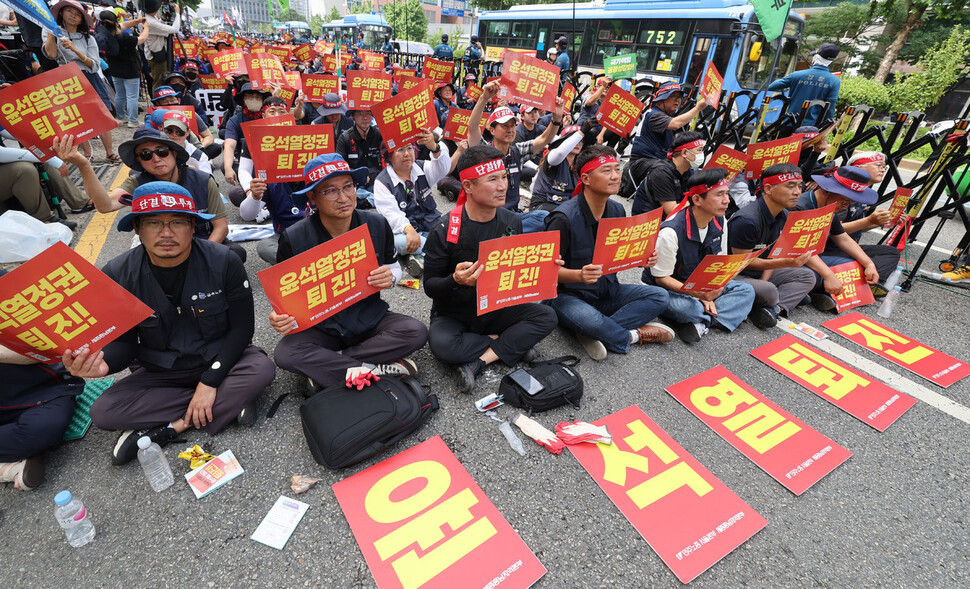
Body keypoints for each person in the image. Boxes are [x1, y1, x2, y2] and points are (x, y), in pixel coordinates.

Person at [62, 182, 275, 466]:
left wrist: (210, 380)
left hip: (222, 358)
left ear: (193, 226)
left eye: (177, 222)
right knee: (104, 411)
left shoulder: (224, 261)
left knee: (262, 369)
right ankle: (230, 402)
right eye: (153, 223)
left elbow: (242, 329)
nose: (166, 232)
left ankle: (171, 427)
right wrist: (103, 365)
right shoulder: (117, 274)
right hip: (161, 369)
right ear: (137, 227)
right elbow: (125, 345)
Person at [271, 155, 428, 390]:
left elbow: (394, 267)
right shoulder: (294, 238)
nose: (344, 198)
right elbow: (287, 301)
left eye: (348, 187)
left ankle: (334, 367)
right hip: (323, 327)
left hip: (369, 319)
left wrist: (391, 276)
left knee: (415, 331)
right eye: (331, 191)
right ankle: (373, 367)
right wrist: (280, 318)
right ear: (312, 197)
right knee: (285, 353)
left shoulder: (375, 224)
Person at [423, 145, 559, 391]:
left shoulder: (512, 220)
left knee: (547, 316)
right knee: (442, 345)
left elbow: (514, 274)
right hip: (455, 314)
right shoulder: (444, 229)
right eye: (492, 179)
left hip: (496, 307)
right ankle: (508, 343)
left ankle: (480, 361)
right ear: (468, 186)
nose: (502, 186)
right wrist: (456, 280)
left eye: (504, 177)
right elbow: (430, 287)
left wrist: (544, 266)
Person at [545, 145, 673, 360]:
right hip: (567, 296)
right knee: (591, 320)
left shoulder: (617, 210)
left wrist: (643, 258)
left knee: (659, 296)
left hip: (606, 290)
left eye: (617, 169)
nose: (615, 176)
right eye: (606, 171)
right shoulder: (563, 218)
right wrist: (578, 275)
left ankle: (595, 331)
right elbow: (544, 272)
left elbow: (619, 254)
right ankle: (628, 336)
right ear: (585, 179)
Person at [55, 129, 240, 259]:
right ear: (139, 162)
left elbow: (220, 228)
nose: (156, 158)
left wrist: (199, 257)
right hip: (160, 248)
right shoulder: (137, 182)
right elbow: (105, 205)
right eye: (145, 155)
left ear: (174, 153)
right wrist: (84, 165)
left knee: (235, 255)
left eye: (161, 151)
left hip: (201, 243)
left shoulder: (202, 180)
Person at [646, 168, 756, 343]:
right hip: (672, 289)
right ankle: (711, 316)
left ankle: (702, 322)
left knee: (746, 290)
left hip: (702, 285)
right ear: (697, 199)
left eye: (727, 194)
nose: (727, 201)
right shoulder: (670, 231)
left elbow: (720, 262)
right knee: (688, 308)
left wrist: (713, 290)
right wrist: (698, 295)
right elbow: (662, 279)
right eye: (719, 195)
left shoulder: (720, 220)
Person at [728, 164, 821, 328]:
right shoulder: (747, 220)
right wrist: (787, 263)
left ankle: (774, 308)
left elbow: (773, 253)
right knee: (769, 291)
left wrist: (766, 278)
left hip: (759, 272)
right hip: (732, 274)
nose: (797, 192)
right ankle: (775, 298)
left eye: (800, 186)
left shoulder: (784, 214)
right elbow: (741, 262)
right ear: (769, 188)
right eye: (790, 186)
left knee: (807, 276)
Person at [795, 166, 895, 308]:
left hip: (817, 256)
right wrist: (829, 275)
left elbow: (842, 238)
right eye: (844, 200)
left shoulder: (830, 208)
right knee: (811, 276)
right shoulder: (800, 207)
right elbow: (800, 249)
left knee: (858, 267)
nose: (846, 206)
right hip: (796, 259)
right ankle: (820, 291)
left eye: (851, 203)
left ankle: (824, 292)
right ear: (826, 190)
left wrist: (868, 264)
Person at [468, 81, 562, 232]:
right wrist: (484, 98)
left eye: (512, 125)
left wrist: (556, 119)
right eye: (504, 126)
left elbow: (544, 139)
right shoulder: (482, 152)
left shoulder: (517, 151)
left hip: (511, 215)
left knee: (545, 217)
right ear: (492, 130)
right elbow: (472, 129)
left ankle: (509, 233)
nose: (510, 130)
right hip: (488, 216)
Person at [0, 331, 81, 491]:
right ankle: (10, 465)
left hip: (41, 390)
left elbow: (49, 349)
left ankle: (12, 456)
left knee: (44, 427)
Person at [44, 0, 119, 164]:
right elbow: (50, 54)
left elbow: (94, 65)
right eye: (70, 11)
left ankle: (110, 152)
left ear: (82, 20)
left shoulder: (88, 38)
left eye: (78, 14)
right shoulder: (53, 33)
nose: (73, 16)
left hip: (88, 77)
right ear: (62, 13)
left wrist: (74, 49)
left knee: (102, 115)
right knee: (77, 117)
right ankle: (87, 154)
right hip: (66, 79)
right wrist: (51, 32)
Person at [373, 129, 450, 277]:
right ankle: (441, 253)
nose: (407, 153)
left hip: (430, 224)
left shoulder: (422, 167)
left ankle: (423, 257)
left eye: (409, 148)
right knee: (395, 242)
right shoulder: (382, 182)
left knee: (453, 224)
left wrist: (435, 148)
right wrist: (408, 229)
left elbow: (443, 168)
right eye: (400, 150)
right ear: (389, 156)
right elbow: (391, 214)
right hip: (404, 233)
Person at [622, 81, 708, 197]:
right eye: (673, 97)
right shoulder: (654, 115)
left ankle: (691, 198)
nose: (677, 100)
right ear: (661, 100)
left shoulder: (664, 115)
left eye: (679, 97)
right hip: (642, 162)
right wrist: (697, 108)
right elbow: (676, 124)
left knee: (689, 169)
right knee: (671, 169)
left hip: (658, 161)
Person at [631, 130, 705, 217]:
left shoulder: (688, 171)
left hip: (668, 220)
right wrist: (702, 200)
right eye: (699, 150)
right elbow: (672, 211)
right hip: (647, 224)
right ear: (684, 153)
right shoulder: (661, 173)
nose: (702, 154)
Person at [768, 43, 841, 125]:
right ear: (830, 61)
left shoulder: (797, 75)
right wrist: (827, 124)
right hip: (810, 128)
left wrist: (788, 78)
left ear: (815, 58)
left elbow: (771, 86)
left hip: (788, 123)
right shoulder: (834, 81)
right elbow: (830, 107)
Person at [97, 10, 148, 129]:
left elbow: (123, 25)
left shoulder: (103, 36)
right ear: (115, 23)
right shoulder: (125, 39)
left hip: (115, 70)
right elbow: (142, 39)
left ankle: (121, 116)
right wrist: (145, 28)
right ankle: (133, 120)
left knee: (119, 94)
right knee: (132, 96)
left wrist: (138, 21)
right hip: (130, 70)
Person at [222, 82, 271, 187]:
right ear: (243, 98)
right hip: (246, 165)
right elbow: (229, 146)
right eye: (250, 94)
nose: (254, 98)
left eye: (258, 95)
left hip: (270, 166)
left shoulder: (269, 117)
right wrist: (228, 168)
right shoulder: (235, 121)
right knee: (236, 193)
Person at [335, 106, 384, 204]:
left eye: (368, 114)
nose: (365, 117)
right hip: (354, 183)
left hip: (377, 182)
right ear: (353, 116)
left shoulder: (379, 134)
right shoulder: (345, 137)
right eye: (360, 114)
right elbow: (339, 165)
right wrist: (358, 174)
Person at [529, 125, 582, 212]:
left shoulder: (579, 164)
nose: (578, 143)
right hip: (543, 205)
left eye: (581, 140)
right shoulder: (554, 157)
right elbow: (561, 152)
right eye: (574, 140)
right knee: (566, 214)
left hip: (566, 206)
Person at [143, 0, 180, 91]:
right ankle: (159, 102)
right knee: (160, 81)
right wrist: (178, 13)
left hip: (154, 52)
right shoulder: (150, 22)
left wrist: (163, 19)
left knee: (160, 80)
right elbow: (175, 29)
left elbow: (157, 25)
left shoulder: (144, 15)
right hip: (156, 55)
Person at [161, 110, 211, 175]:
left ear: (188, 132)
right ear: (162, 129)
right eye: (169, 130)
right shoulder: (153, 150)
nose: (174, 135)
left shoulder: (198, 157)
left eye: (180, 132)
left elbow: (206, 182)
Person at [515, 106, 546, 186]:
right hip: (522, 164)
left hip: (537, 161)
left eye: (535, 112)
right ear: (522, 116)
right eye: (529, 113)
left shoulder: (541, 129)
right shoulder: (518, 132)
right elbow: (519, 156)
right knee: (531, 172)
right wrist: (536, 168)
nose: (534, 115)